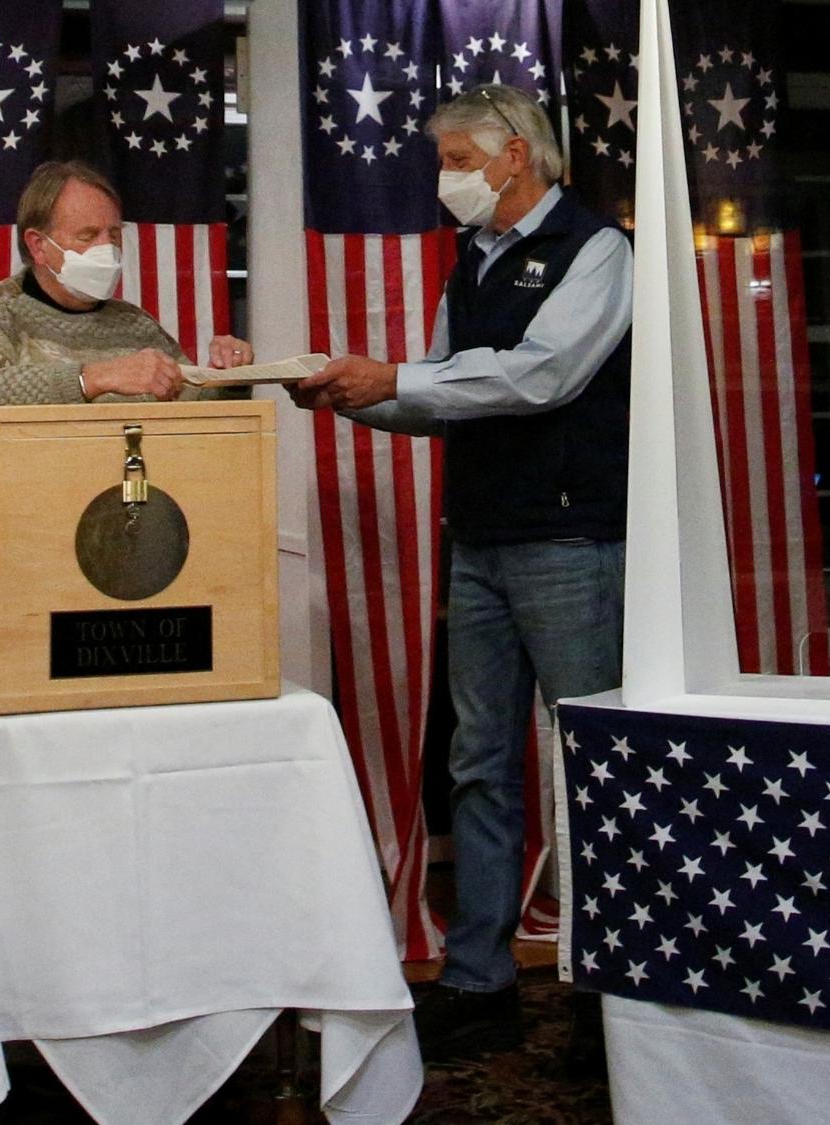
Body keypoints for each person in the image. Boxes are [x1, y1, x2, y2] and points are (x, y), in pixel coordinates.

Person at [291, 85, 632, 1063]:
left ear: (513, 155)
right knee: (478, 766)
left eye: (453, 160)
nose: (444, 180)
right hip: (480, 539)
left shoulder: (596, 252)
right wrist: (344, 396)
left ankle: (607, 993)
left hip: (571, 543)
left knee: (586, 768)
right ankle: (481, 981)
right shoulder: (471, 261)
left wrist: (391, 377)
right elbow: (447, 394)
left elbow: (540, 376)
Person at [0, 159, 252, 423]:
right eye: (87, 236)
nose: (107, 248)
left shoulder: (135, 326)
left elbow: (192, 416)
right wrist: (95, 378)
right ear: (38, 245)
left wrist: (226, 380)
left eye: (113, 234)